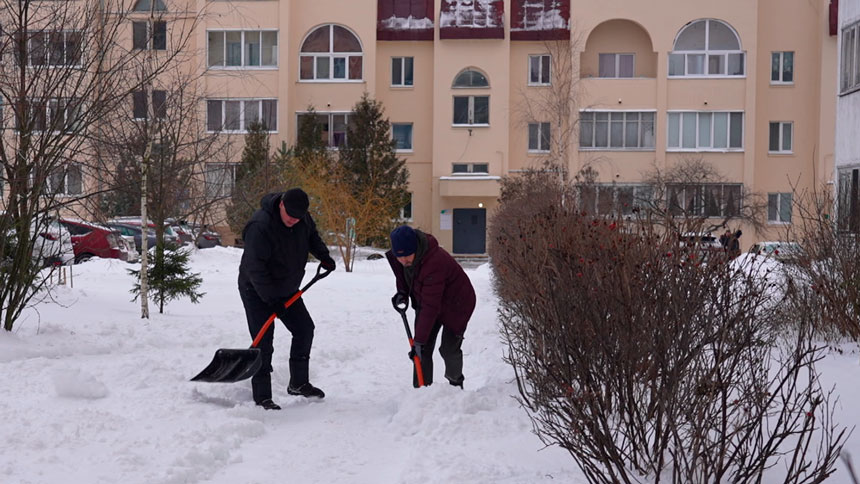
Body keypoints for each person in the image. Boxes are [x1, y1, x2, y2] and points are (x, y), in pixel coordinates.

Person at [237, 188, 336, 410]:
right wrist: (271, 300)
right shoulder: (260, 226)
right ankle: (262, 397)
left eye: (298, 217)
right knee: (264, 340)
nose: (294, 220)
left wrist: (324, 256)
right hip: (256, 289)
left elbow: (312, 236)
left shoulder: (301, 218)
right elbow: (255, 268)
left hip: (287, 287)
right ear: (281, 204)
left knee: (304, 329)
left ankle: (299, 383)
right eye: (290, 216)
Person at [386, 225, 476, 389]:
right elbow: (404, 276)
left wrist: (418, 341)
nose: (403, 260)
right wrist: (402, 293)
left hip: (457, 304)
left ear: (416, 249)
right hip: (429, 301)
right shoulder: (402, 258)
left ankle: (455, 385)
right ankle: (421, 390)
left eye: (407, 256)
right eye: (400, 257)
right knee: (422, 351)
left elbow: (430, 306)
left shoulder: (434, 262)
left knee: (448, 349)